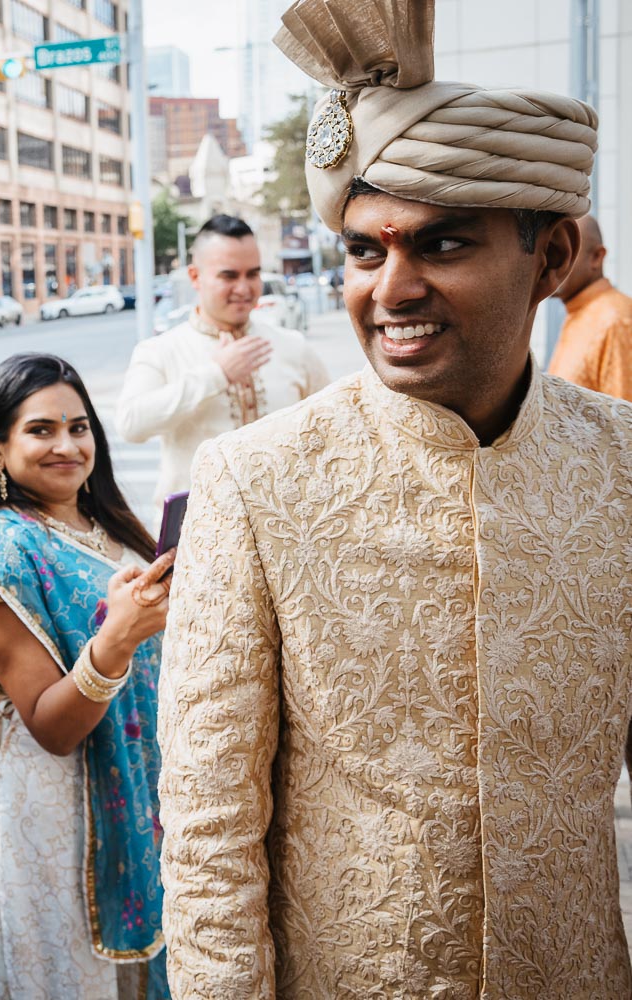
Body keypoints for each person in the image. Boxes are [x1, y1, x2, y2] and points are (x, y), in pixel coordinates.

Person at [158, 0, 630, 994]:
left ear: (547, 258)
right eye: (366, 251)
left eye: (443, 246)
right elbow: (207, 838)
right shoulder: (257, 480)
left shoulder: (621, 466)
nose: (392, 286)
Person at [0, 353, 175, 999]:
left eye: (79, 427)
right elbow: (51, 725)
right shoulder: (0, 549)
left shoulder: (102, 526)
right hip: (53, 805)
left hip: (133, 777)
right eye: (41, 430)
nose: (67, 445)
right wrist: (116, 639)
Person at [113, 214, 329, 506]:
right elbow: (131, 424)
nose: (243, 288)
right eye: (229, 276)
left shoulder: (291, 345)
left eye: (252, 274)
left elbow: (329, 426)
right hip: (196, 536)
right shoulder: (161, 350)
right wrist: (217, 375)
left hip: (285, 530)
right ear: (195, 277)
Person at [549, 214, 632, 400]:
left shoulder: (616, 322)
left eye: (565, 252)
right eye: (548, 252)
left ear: (596, 257)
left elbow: (625, 423)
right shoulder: (577, 312)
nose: (550, 263)